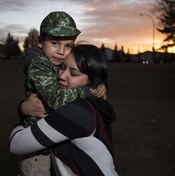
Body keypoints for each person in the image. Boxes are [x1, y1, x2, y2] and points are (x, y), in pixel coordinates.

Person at [19, 11, 106, 175]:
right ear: (39, 41)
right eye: (54, 43)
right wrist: (87, 91)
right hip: (36, 148)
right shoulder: (39, 66)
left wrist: (97, 84)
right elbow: (55, 99)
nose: (61, 51)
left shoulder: (55, 62)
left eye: (68, 45)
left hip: (53, 140)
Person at [10, 44, 118, 176]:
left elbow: (16, 144)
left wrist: (23, 111)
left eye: (74, 73)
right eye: (62, 67)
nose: (62, 75)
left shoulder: (76, 111)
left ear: (92, 82)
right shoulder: (89, 104)